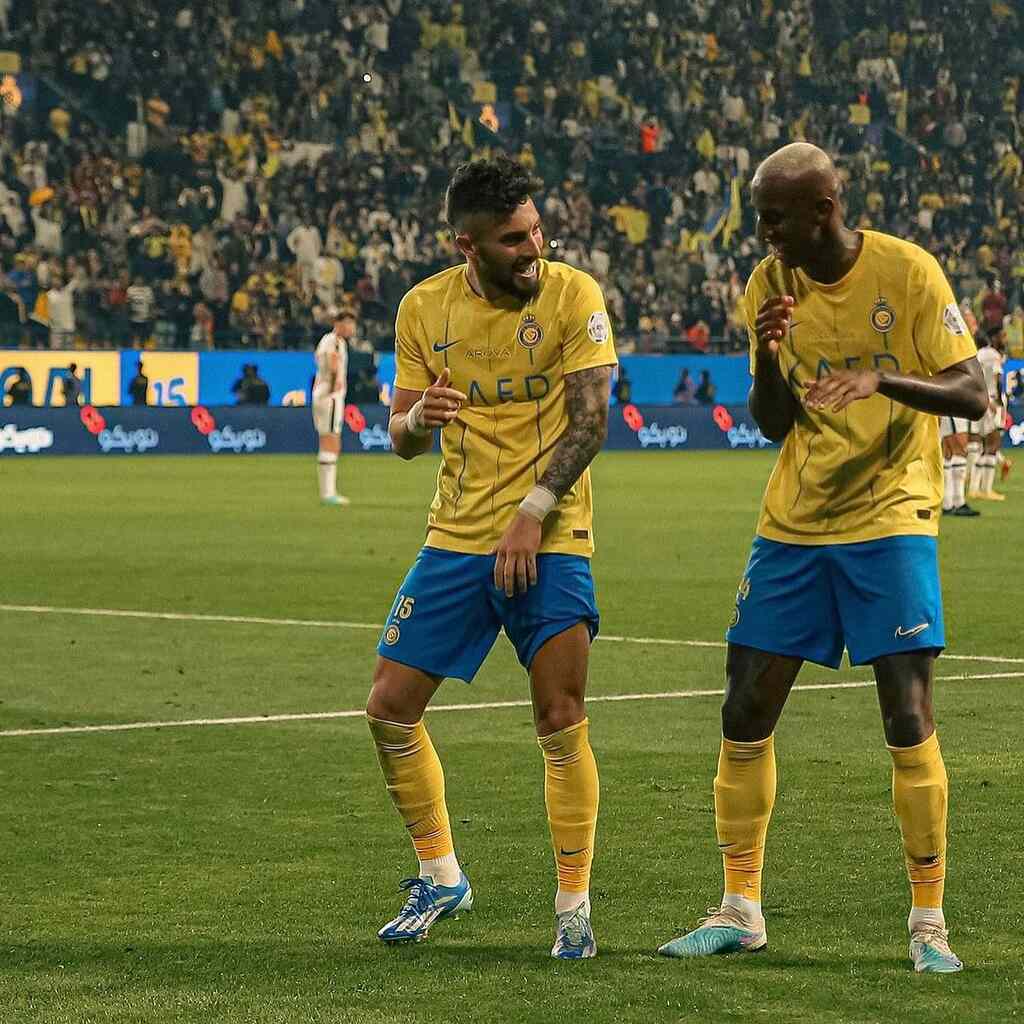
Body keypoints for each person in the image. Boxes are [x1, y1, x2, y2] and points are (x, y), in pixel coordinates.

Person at [657, 143, 986, 973]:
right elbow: (772, 422)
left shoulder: (908, 274)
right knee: (743, 710)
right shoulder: (770, 287)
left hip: (890, 515)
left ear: (823, 209)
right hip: (795, 520)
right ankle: (739, 906)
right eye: (760, 214)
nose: (762, 233)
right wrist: (768, 355)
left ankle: (928, 924)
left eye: (774, 216)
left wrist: (884, 378)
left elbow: (973, 392)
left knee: (907, 717)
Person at [365, 157, 617, 959]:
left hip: (553, 532)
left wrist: (533, 514)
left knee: (559, 714)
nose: (533, 248)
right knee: (389, 706)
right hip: (456, 534)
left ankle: (572, 904)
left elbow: (591, 421)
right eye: (513, 239)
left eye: (536, 230)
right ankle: (440, 874)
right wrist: (419, 422)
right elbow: (399, 437)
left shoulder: (575, 295)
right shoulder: (423, 309)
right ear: (465, 245)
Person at [312, 309, 353, 506]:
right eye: (348, 323)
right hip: (330, 395)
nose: (351, 328)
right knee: (331, 441)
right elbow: (333, 360)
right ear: (339, 324)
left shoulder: (326, 339)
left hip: (322, 393)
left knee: (328, 439)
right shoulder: (335, 340)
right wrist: (336, 381)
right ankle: (328, 493)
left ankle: (328, 491)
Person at [967, 333, 1007, 502]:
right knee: (993, 443)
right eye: (1003, 335)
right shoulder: (994, 356)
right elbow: (997, 379)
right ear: (995, 337)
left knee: (981, 444)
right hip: (990, 401)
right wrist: (996, 401)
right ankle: (986, 489)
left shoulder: (979, 354)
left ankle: (975, 488)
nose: (1005, 339)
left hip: (978, 399)